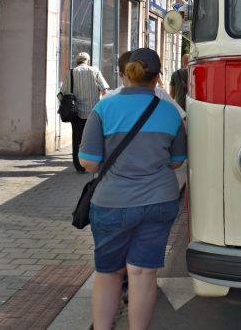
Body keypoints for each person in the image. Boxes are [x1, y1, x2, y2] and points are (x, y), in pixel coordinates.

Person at [79, 47, 187, 330]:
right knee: (142, 273)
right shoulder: (170, 112)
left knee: (109, 273)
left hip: (112, 203)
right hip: (158, 202)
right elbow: (177, 162)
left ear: (126, 74)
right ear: (157, 78)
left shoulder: (103, 108)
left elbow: (88, 162)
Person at [59, 52, 109, 173]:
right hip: (93, 112)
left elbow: (62, 93)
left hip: (76, 113)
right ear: (88, 61)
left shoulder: (71, 73)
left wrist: (63, 105)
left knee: (77, 139)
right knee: (95, 138)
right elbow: (105, 91)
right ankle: (94, 164)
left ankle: (79, 167)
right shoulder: (94, 71)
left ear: (77, 62)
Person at [105, 51, 184, 119]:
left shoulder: (160, 94)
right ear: (121, 75)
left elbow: (182, 119)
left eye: (138, 71)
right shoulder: (108, 99)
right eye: (130, 72)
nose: (135, 76)